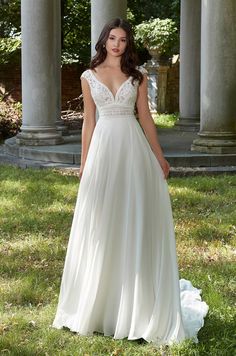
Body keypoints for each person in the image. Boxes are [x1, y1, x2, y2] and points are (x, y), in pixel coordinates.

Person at [53, 18, 208, 345]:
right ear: (104, 40)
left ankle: (135, 305)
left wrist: (159, 156)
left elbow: (147, 119)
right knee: (102, 223)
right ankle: (99, 304)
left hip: (133, 151)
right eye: (112, 38)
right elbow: (88, 122)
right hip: (103, 152)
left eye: (123, 40)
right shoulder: (88, 76)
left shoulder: (137, 76)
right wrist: (84, 164)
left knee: (131, 217)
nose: (117, 44)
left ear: (128, 44)